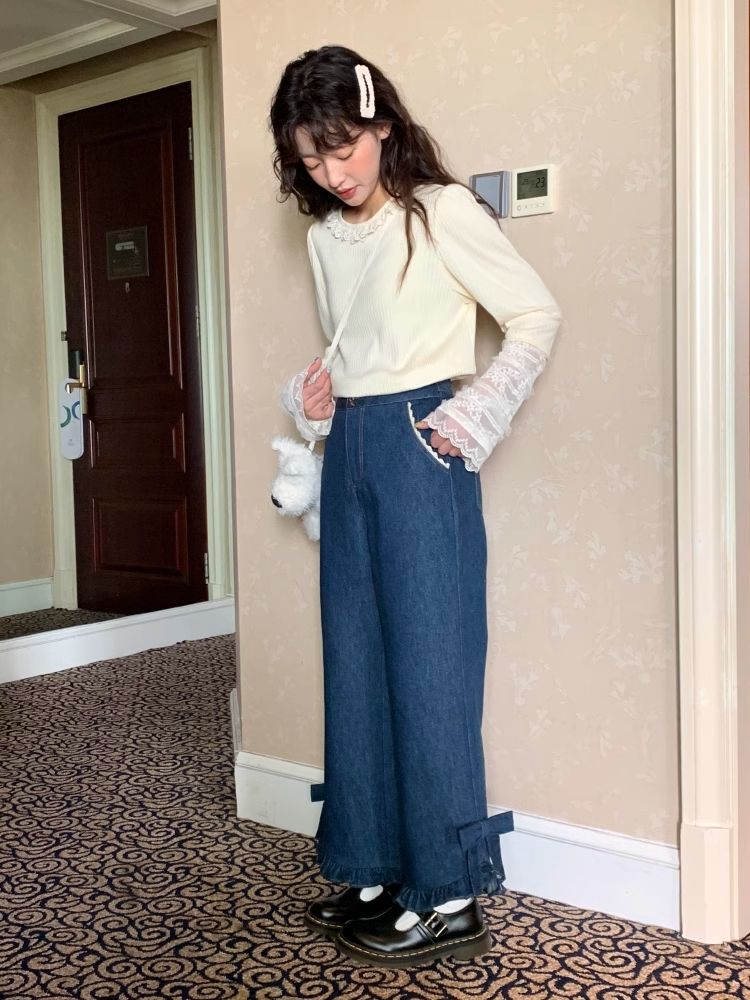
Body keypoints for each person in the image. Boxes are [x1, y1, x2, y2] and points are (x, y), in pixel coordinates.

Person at [268, 45, 562, 969]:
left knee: (431, 667)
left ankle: (450, 891)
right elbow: (353, 347)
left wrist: (473, 413)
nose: (333, 173)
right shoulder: (325, 238)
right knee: (354, 662)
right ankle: (371, 866)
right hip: (352, 443)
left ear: (382, 125)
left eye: (343, 148)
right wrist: (312, 400)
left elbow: (536, 316)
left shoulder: (441, 213)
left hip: (421, 442)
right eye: (311, 158)